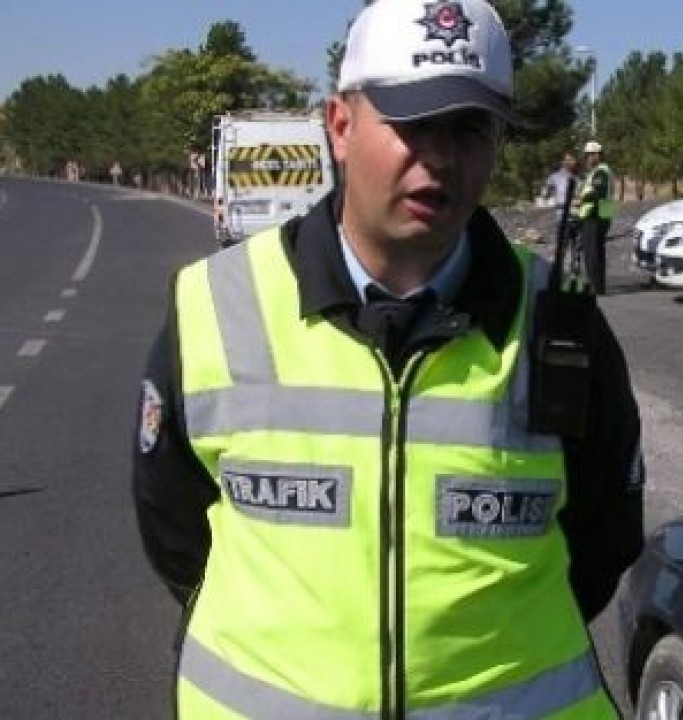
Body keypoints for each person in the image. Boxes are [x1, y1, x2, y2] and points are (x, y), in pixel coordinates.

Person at [131, 1, 645, 717]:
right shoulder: (217, 306)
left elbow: (601, 541)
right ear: (340, 127)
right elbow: (175, 530)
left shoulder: (561, 323)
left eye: (469, 128)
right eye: (414, 123)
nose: (441, 158)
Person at [575, 140, 614, 294]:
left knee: (592, 254)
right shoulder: (599, 171)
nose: (588, 158)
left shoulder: (601, 172)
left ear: (597, 155)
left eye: (590, 155)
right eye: (587, 155)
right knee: (597, 252)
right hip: (601, 214)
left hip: (595, 216)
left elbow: (598, 193)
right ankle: (598, 286)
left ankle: (594, 286)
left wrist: (581, 199)